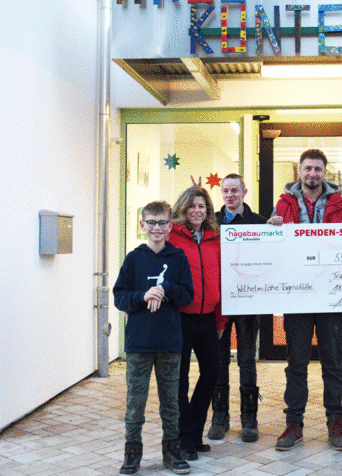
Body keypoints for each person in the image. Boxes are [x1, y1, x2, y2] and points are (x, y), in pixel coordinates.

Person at [266, 148, 342, 451]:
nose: (312, 174)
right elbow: (276, 250)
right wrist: (272, 230)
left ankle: (335, 422)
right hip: (297, 295)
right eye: (307, 168)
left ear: (324, 173)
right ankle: (294, 424)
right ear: (299, 172)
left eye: (318, 169)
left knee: (333, 363)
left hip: (330, 296)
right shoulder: (283, 202)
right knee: (296, 363)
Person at [113, 201, 193, 475]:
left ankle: (172, 452)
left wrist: (164, 289)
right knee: (135, 404)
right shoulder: (134, 259)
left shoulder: (178, 258)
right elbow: (120, 296)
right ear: (142, 225)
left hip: (170, 343)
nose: (157, 228)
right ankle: (132, 454)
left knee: (170, 404)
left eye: (162, 223)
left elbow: (187, 294)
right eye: (151, 223)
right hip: (138, 344)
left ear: (170, 226)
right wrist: (142, 295)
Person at [208, 174, 267, 443]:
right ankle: (220, 417)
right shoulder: (212, 223)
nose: (230, 195)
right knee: (218, 360)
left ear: (244, 192)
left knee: (246, 360)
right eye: (225, 191)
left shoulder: (257, 222)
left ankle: (249, 419)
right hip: (218, 302)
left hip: (247, 301)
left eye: (235, 190)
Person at [170, 186, 227, 461]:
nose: (197, 211)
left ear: (208, 211)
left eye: (202, 206)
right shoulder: (172, 237)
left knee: (211, 373)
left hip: (207, 318)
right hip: (180, 318)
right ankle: (184, 438)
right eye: (192, 205)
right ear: (183, 208)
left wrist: (220, 318)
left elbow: (221, 279)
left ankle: (194, 432)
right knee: (179, 381)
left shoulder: (216, 239)